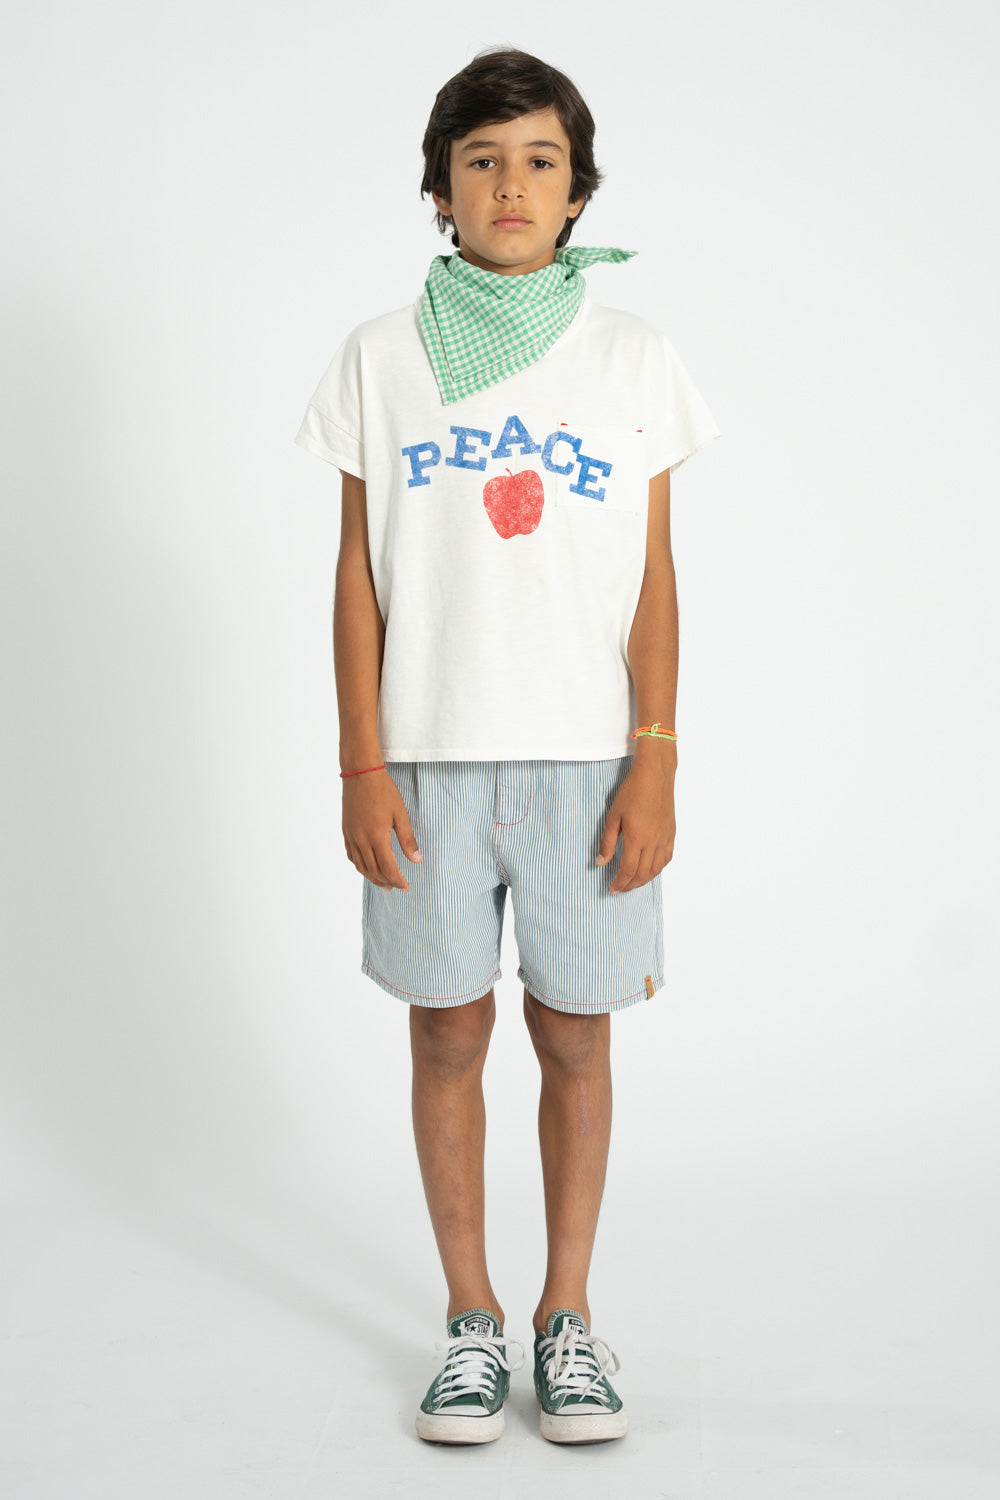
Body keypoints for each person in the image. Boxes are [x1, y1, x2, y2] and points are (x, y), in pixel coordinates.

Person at [294, 45, 721, 1447]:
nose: (512, 185)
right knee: (446, 1032)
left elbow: (654, 576)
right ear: (439, 189)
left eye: (541, 161)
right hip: (426, 760)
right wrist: (361, 762)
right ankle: (471, 1319)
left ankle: (568, 1316)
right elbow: (356, 574)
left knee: (576, 1035)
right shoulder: (381, 357)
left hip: (587, 762)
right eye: (481, 161)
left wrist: (656, 754)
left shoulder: (633, 353)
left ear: (579, 189)